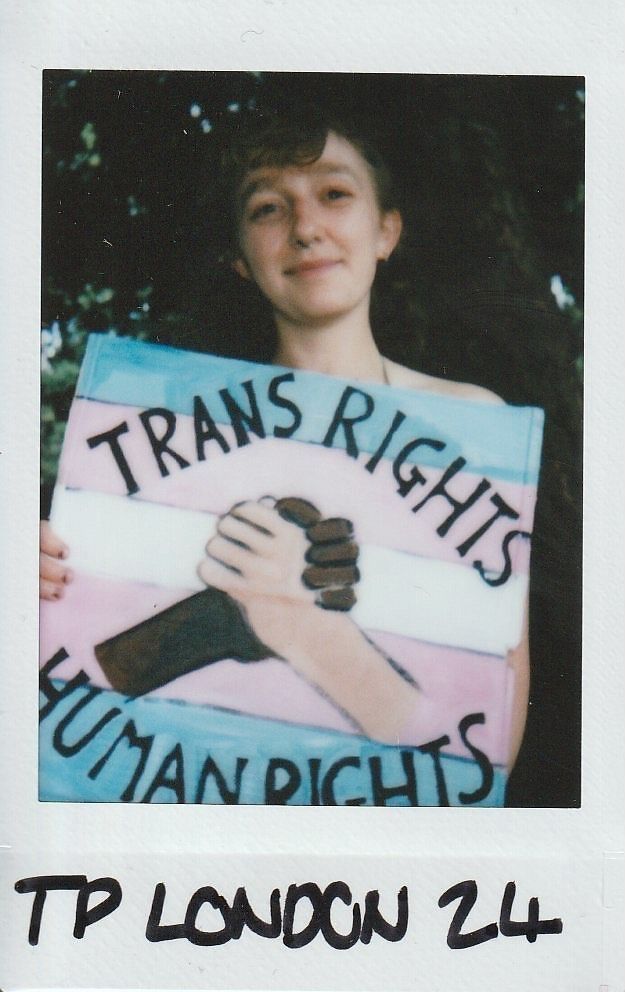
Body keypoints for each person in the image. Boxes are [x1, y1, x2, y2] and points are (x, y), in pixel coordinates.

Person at [40, 106, 530, 768]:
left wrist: (306, 632)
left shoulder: (474, 426)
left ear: (386, 230)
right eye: (267, 208)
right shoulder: (162, 434)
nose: (305, 228)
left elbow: (485, 729)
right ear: (239, 259)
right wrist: (41, 590)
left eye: (334, 194)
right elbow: (73, 709)